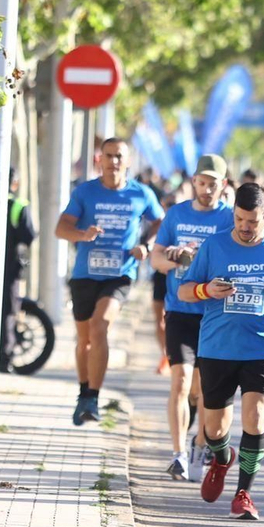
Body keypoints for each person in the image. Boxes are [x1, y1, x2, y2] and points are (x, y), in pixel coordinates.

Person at [177, 183, 264, 520]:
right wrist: (206, 289)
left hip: (263, 345)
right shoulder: (215, 245)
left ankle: (244, 494)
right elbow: (184, 291)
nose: (245, 227)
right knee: (214, 430)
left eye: (252, 221)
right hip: (218, 346)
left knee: (255, 418)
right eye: (239, 219)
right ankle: (222, 459)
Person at [54, 138, 165, 425]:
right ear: (99, 159)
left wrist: (146, 244)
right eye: (108, 156)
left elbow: (160, 222)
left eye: (119, 156)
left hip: (120, 274)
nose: (113, 162)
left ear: (127, 161)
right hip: (85, 274)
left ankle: (93, 397)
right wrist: (83, 235)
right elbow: (61, 229)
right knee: (84, 340)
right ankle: (83, 394)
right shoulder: (85, 192)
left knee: (99, 326)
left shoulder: (141, 193)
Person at [150, 155, 235, 480]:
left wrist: (201, 258)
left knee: (202, 391)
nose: (206, 189)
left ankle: (200, 445)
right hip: (179, 311)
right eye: (202, 182)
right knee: (180, 382)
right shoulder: (177, 214)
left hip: (212, 315)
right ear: (193, 182)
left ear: (222, 185)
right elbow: (156, 259)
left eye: (213, 184)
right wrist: (175, 258)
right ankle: (178, 454)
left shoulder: (229, 219)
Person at [0, 167, 38, 373]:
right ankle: (4, 359)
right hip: (9, 268)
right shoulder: (18, 206)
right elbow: (29, 236)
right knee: (8, 312)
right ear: (14, 184)